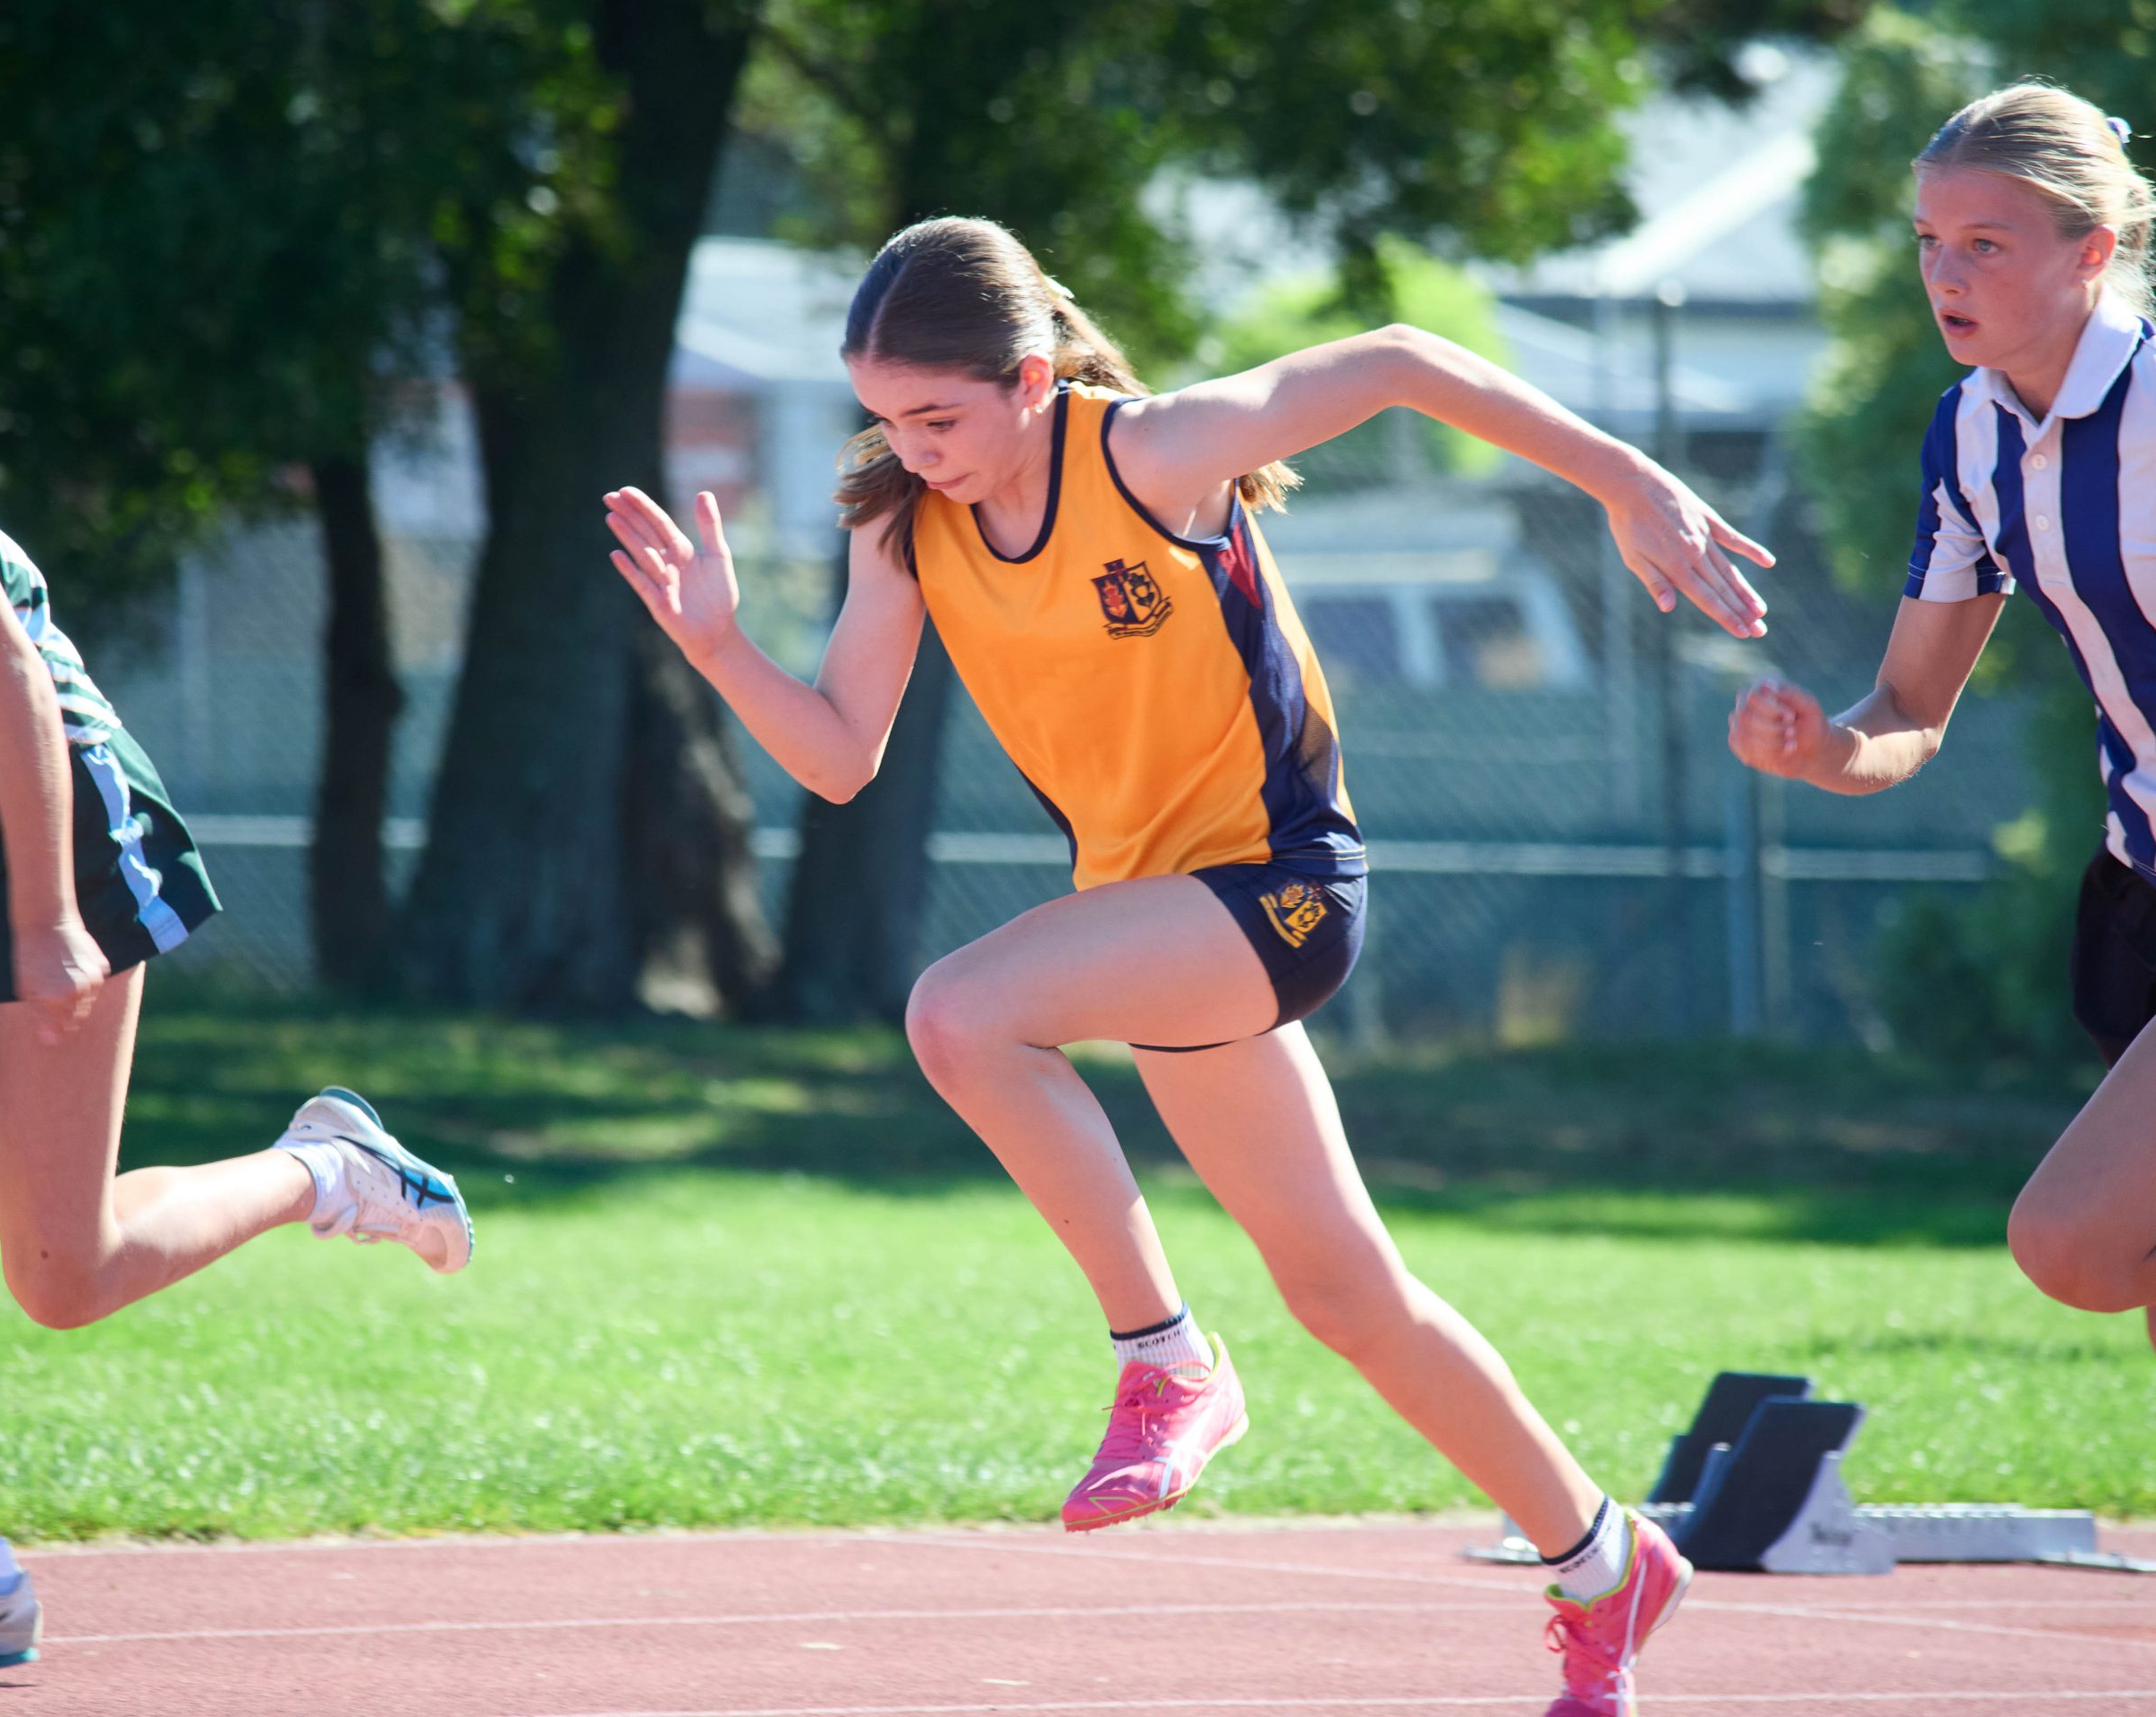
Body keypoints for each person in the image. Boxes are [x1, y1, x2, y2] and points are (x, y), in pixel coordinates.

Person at [607, 216, 1771, 1715]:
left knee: (960, 1015)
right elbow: (838, 757)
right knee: (1350, 1297)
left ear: (1033, 381)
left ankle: (1166, 1359)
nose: (912, 448)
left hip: (1280, 891)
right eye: (885, 418)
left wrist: (1622, 477)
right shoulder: (902, 522)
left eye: (939, 418)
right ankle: (1606, 1561)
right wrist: (718, 648)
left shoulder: (1152, 454)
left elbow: (1397, 360)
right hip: (1162, 927)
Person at [0, 259, 474, 1684]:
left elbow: (12, 677)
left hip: (48, 808)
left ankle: (330, 1170)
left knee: (62, 1276)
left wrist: (40, 920)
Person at [1727, 81, 2156, 1341]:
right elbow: (1912, 705)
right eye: (1928, 241)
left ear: (2092, 251)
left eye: (1985, 243)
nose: (1944, 274)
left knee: (2073, 1241)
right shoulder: (1969, 436)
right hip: (2138, 887)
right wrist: (1822, 748)